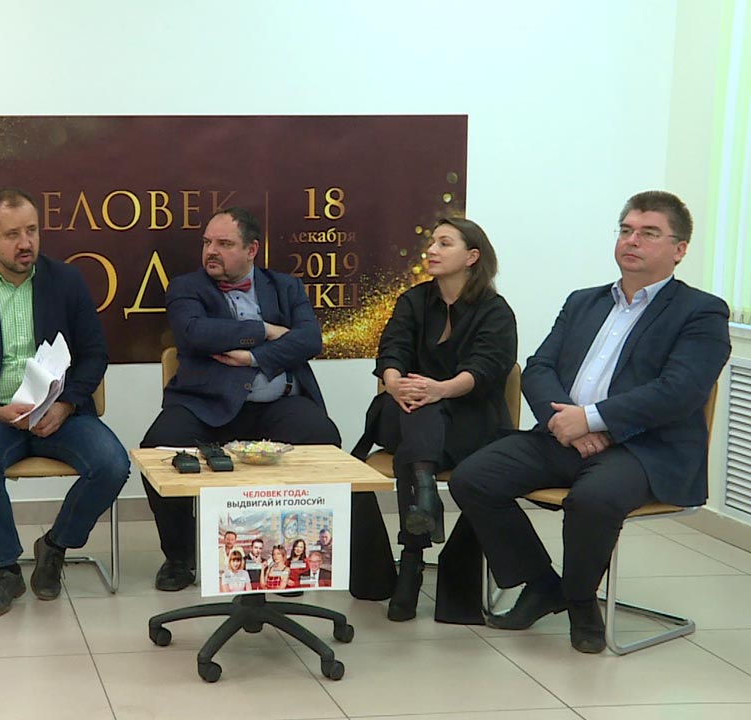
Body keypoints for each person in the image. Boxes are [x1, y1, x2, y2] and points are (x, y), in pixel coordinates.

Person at [450, 191, 730, 653]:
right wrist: (566, 421)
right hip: (564, 434)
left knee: (592, 500)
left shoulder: (701, 311)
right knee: (473, 478)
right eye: (626, 230)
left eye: (649, 233)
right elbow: (539, 367)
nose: (632, 241)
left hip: (644, 448)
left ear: (679, 249)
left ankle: (581, 603)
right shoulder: (584, 301)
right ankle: (542, 584)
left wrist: (593, 420)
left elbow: (679, 391)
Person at [0, 187, 130, 619]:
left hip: (60, 413)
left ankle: (54, 546)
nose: (26, 243)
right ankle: (5, 569)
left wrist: (67, 405)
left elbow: (95, 354)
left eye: (32, 231)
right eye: (12, 235)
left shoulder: (66, 281)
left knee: (113, 463)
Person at [141, 207, 342, 591]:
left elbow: (309, 340)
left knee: (323, 439)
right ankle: (180, 557)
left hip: (279, 404)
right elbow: (195, 334)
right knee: (157, 451)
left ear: (251, 250)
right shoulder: (186, 287)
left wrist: (252, 358)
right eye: (207, 243)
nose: (211, 251)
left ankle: (291, 560)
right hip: (206, 405)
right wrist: (264, 330)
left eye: (224, 244)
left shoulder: (285, 286)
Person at [350, 217, 517, 622]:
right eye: (431, 242)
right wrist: (395, 384)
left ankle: (412, 557)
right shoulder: (413, 300)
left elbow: (487, 368)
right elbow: (392, 349)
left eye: (444, 243)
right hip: (404, 411)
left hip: (466, 419)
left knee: (421, 425)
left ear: (472, 256)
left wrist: (439, 389)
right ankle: (424, 496)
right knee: (419, 415)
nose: (431, 250)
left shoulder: (495, 311)